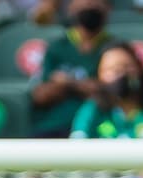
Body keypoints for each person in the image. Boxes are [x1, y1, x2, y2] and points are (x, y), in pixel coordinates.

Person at [29, 0, 113, 138]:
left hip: (100, 127)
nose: (90, 5)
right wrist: (86, 87)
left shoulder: (114, 48)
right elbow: (42, 95)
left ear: (108, 8)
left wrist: (67, 83)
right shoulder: (56, 47)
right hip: (53, 126)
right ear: (71, 7)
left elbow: (110, 92)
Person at [69, 42, 143, 138]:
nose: (121, 74)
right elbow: (77, 143)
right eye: (112, 69)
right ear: (99, 75)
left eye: (127, 67)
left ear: (140, 70)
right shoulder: (93, 110)